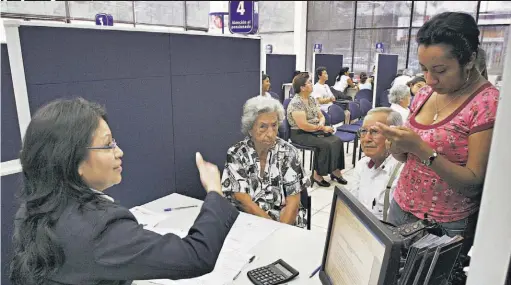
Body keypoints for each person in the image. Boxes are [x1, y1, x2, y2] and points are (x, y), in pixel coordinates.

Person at [10, 98, 239, 285]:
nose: (119, 152)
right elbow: (196, 256)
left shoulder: (34, 209)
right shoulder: (98, 230)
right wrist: (214, 191)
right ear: (72, 160)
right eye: (108, 144)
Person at [375, 12, 500, 253]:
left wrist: (422, 149)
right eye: (424, 69)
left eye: (440, 70)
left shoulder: (486, 103)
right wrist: (397, 146)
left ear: (470, 60)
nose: (430, 79)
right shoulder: (424, 94)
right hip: (401, 205)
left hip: (443, 224)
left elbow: (473, 183)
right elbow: (406, 158)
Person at [221, 96, 309, 228]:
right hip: (248, 219)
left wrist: (280, 232)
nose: (270, 133)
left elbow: (293, 203)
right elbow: (244, 201)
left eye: (274, 125)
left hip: (285, 221)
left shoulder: (289, 152)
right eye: (263, 127)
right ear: (250, 129)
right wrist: (270, 229)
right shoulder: (237, 154)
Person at [287, 72, 348, 187]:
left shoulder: (311, 99)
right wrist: (323, 127)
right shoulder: (296, 103)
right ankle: (317, 175)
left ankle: (335, 171)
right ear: (302, 87)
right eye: (309, 82)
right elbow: (303, 125)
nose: (311, 84)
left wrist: (321, 123)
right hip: (300, 134)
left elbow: (321, 116)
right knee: (325, 144)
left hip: (315, 129)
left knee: (337, 141)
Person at [349, 108, 404, 221]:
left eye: (374, 131)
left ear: (394, 136)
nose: (366, 139)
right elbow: (353, 206)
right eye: (363, 131)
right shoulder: (362, 165)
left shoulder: (402, 173)